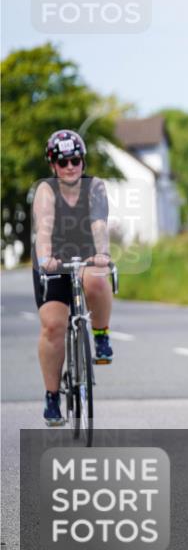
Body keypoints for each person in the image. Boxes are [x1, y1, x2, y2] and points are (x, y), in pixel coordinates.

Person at [32, 129, 114, 426]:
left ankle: (101, 335)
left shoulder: (95, 187)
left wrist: (102, 253)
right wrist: (45, 259)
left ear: (83, 161)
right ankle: (52, 396)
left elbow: (99, 224)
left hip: (86, 252)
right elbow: (45, 227)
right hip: (52, 255)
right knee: (53, 326)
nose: (70, 166)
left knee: (95, 279)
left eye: (76, 160)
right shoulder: (46, 190)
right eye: (63, 161)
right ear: (53, 165)